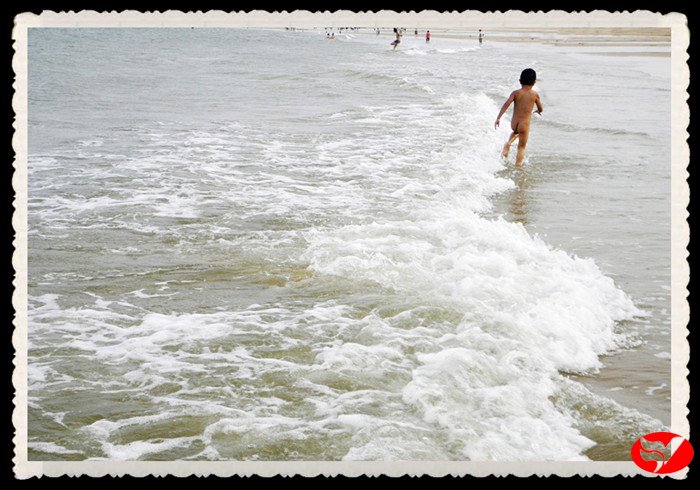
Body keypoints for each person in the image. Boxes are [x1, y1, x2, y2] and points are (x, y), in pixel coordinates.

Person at [494, 68, 543, 166]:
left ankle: (508, 144)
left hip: (514, 123)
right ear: (534, 82)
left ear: (520, 81)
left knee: (515, 132)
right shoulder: (535, 95)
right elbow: (540, 108)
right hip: (524, 125)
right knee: (521, 147)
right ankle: (518, 167)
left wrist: (498, 118)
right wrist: (538, 111)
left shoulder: (515, 93)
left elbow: (506, 104)